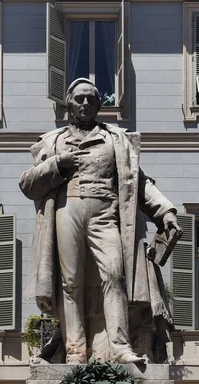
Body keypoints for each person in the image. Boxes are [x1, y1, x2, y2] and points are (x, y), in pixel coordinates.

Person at [19, 78, 182, 364]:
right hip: (67, 209)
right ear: (68, 103)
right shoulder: (53, 141)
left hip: (106, 212)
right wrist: (58, 164)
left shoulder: (115, 140)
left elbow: (138, 183)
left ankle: (119, 347)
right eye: (79, 99)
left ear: (99, 104)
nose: (85, 104)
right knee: (70, 284)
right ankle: (75, 352)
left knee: (114, 276)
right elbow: (28, 184)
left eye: (91, 99)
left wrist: (165, 211)